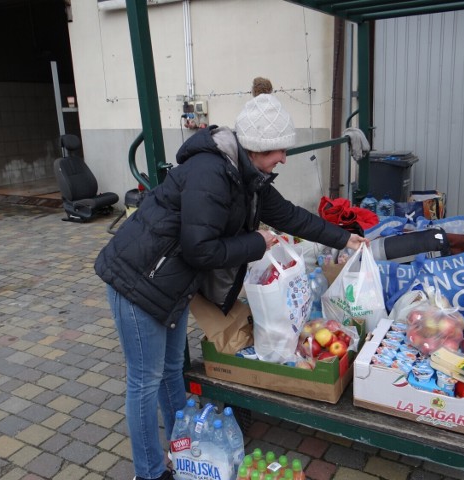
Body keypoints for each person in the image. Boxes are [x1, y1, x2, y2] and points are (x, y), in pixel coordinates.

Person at [94, 79, 367, 480]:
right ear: (257, 146)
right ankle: (150, 473)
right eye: (279, 150)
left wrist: (345, 237)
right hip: (138, 281)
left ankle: (182, 447)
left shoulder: (248, 177)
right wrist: (256, 241)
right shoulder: (211, 173)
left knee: (171, 371)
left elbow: (291, 215)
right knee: (145, 380)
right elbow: (199, 249)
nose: (284, 158)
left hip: (172, 284)